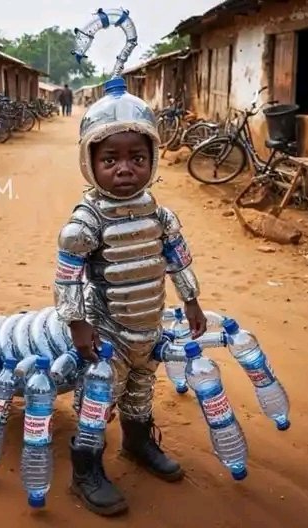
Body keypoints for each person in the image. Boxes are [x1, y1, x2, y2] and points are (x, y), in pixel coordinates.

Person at [53, 77, 207, 516]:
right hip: (107, 333)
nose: (125, 169)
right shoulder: (84, 222)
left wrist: (190, 299)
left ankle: (138, 444)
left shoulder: (159, 213)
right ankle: (85, 470)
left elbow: (177, 257)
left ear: (153, 158)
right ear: (90, 163)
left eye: (137, 158)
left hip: (148, 328)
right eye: (110, 159)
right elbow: (67, 278)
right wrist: (77, 322)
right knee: (98, 399)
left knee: (141, 391)